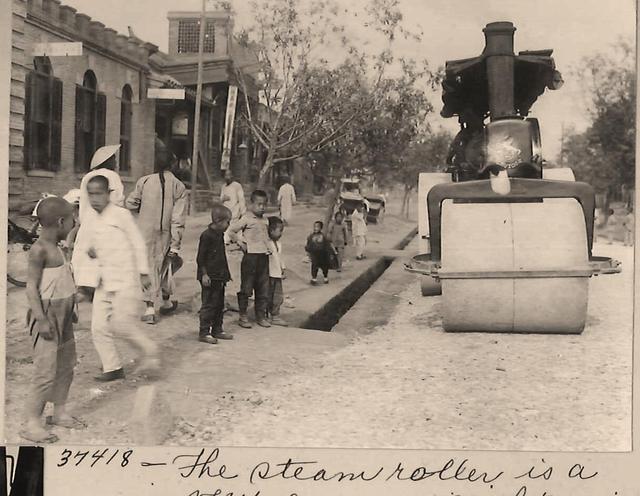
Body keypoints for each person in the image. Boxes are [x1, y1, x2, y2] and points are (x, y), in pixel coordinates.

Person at [73, 174, 160, 382]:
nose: (95, 199)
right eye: (91, 194)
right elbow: (87, 247)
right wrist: (85, 280)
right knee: (99, 327)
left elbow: (137, 242)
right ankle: (112, 366)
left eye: (99, 194)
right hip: (103, 281)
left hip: (125, 280)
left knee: (122, 325)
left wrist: (143, 272)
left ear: (109, 194)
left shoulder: (121, 215)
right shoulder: (90, 219)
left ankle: (151, 353)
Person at [22, 197, 84, 443]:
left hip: (64, 316)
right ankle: (31, 423)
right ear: (60, 222)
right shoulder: (39, 250)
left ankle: (58, 412)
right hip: (46, 317)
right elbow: (30, 288)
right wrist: (41, 320)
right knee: (45, 371)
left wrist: (72, 308)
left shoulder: (59, 246)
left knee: (66, 366)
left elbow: (64, 280)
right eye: (72, 219)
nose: (75, 222)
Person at [126, 138, 187, 324]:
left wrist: (143, 209)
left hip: (145, 231)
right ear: (172, 164)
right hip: (166, 233)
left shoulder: (144, 182)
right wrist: (175, 244)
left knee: (148, 266)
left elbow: (130, 203)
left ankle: (150, 307)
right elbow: (178, 218)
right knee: (166, 265)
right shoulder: (178, 186)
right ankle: (163, 302)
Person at [75, 145, 125, 290]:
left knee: (87, 257)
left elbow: (83, 202)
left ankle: (86, 287)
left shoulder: (87, 177)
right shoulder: (112, 176)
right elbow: (117, 201)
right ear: (107, 161)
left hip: (88, 221)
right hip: (107, 221)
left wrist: (83, 221)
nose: (115, 162)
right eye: (113, 159)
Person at [228, 190, 272, 328]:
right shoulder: (246, 219)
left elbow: (266, 237)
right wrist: (240, 243)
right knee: (246, 287)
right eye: (259, 204)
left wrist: (269, 247)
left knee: (263, 288)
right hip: (250, 257)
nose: (262, 207)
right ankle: (243, 315)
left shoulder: (265, 220)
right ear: (251, 204)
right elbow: (231, 230)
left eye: (264, 204)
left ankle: (260, 316)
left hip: (263, 257)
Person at [196, 204, 234, 344]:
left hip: (219, 276)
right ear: (218, 221)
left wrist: (226, 275)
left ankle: (217, 329)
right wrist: (204, 274)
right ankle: (204, 332)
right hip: (209, 277)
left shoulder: (220, 235)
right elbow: (200, 258)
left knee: (219, 304)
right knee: (209, 304)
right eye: (227, 222)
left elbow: (221, 258)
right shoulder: (206, 236)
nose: (228, 225)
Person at [266, 216, 288, 326]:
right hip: (268, 274)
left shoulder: (279, 244)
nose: (281, 234)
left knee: (278, 295)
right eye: (280, 231)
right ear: (271, 230)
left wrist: (283, 268)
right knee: (267, 295)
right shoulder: (266, 243)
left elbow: (279, 257)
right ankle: (265, 315)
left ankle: (275, 315)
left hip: (277, 274)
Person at [220, 169, 246, 244]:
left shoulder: (237, 186)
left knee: (236, 228)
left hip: (235, 212)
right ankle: (229, 239)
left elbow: (241, 199)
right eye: (226, 175)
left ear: (232, 176)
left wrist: (243, 212)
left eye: (229, 175)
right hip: (226, 212)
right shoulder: (223, 186)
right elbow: (221, 198)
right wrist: (223, 198)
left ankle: (240, 241)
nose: (227, 177)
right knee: (226, 229)